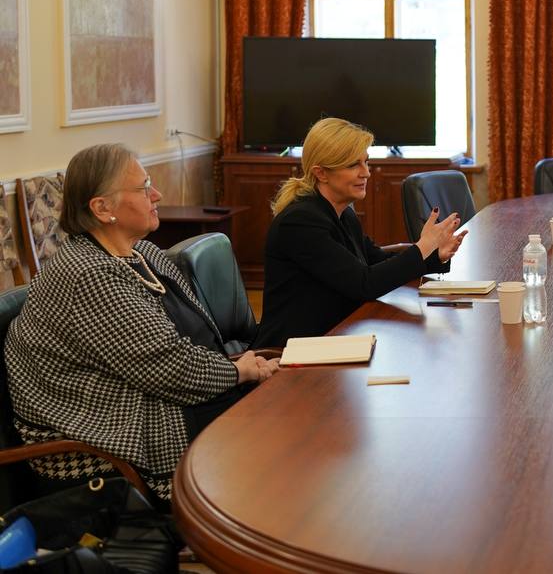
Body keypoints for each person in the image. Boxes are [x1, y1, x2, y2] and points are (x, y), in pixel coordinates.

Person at [5, 144, 279, 501]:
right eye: (143, 187)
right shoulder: (88, 275)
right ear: (102, 208)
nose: (157, 194)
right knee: (277, 440)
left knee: (286, 411)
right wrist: (238, 372)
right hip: (117, 434)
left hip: (172, 397)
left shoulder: (145, 253)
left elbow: (191, 347)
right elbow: (168, 367)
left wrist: (241, 369)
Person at [255, 118, 466, 348]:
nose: (366, 173)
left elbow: (376, 260)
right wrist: (422, 247)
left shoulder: (343, 213)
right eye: (353, 165)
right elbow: (364, 284)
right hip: (293, 351)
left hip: (336, 337)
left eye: (366, 162)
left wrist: (434, 254)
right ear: (321, 173)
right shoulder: (300, 222)